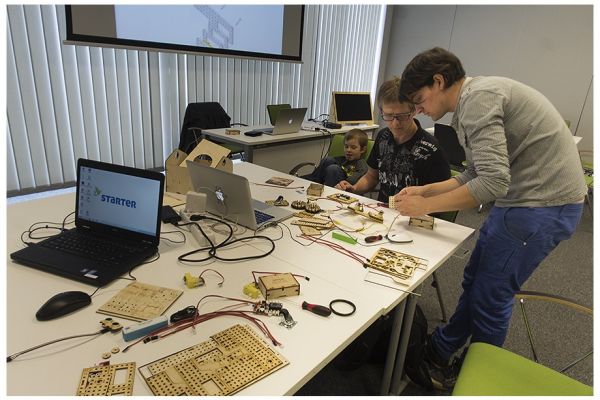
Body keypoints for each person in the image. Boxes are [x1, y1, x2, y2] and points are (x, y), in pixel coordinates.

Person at [396, 47, 587, 390]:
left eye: (419, 100)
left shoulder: (477, 100)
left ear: (438, 81)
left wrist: (424, 207)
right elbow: (475, 172)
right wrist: (427, 191)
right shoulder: (471, 99)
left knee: (491, 296)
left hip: (542, 206)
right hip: (524, 201)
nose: (419, 110)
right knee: (475, 280)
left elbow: (493, 183)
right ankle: (441, 348)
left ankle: (476, 378)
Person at [335, 77, 450, 203]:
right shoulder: (382, 137)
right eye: (388, 115)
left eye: (402, 116)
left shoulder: (432, 149)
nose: (395, 124)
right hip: (383, 210)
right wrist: (355, 188)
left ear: (414, 110)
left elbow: (442, 198)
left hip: (414, 212)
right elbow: (371, 177)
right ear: (381, 111)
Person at [304, 129, 369, 187]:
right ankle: (311, 183)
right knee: (328, 159)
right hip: (328, 181)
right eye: (346, 146)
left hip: (345, 186)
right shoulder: (343, 159)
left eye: (353, 147)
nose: (348, 150)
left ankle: (325, 190)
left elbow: (354, 180)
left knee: (333, 169)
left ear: (362, 149)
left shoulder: (361, 163)